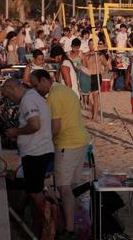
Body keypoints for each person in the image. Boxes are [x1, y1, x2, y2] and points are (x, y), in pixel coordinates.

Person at [28, 69, 90, 239]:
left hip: (67, 144)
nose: (36, 90)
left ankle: (69, 229)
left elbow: (55, 128)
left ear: (43, 80)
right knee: (72, 187)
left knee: (63, 188)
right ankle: (79, 223)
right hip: (81, 140)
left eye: (36, 85)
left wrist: (40, 143)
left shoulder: (54, 96)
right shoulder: (65, 90)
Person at [1, 78, 55, 227]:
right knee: (32, 188)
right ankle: (37, 222)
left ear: (13, 89)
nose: (11, 100)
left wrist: (15, 132)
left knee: (35, 192)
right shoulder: (33, 96)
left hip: (36, 152)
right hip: (39, 150)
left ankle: (47, 224)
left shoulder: (27, 100)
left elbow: (35, 125)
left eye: (9, 97)